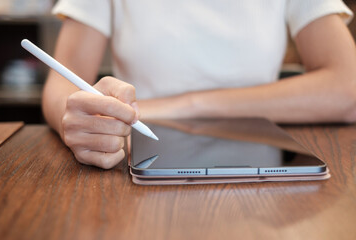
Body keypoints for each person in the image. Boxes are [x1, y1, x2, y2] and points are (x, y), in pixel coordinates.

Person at [43, 0, 356, 169]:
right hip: (135, 182)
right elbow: (61, 86)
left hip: (260, 193)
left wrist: (179, 106)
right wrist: (78, 121)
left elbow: (348, 88)